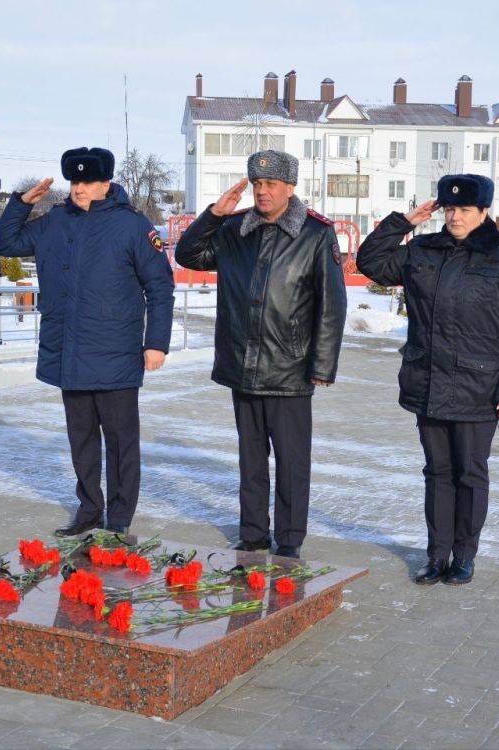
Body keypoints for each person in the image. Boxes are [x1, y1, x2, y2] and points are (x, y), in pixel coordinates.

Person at [357, 174, 499, 585]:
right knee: (437, 472)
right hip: (429, 382)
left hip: (480, 389)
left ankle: (464, 556)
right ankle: (437, 555)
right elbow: (370, 262)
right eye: (450, 209)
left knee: (470, 473)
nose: (455, 217)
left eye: (465, 210)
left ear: (484, 212)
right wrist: (403, 223)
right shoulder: (423, 249)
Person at [0, 147, 174, 537]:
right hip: (69, 351)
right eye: (74, 181)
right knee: (82, 440)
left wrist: (156, 342)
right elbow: (5, 244)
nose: (79, 188)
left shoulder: (131, 226)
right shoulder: (56, 222)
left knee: (122, 443)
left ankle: (120, 517)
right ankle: (89, 509)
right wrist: (21, 204)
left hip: (116, 352)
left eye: (87, 181)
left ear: (106, 183)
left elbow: (160, 286)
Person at [175, 150, 347, 559]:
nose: (263, 191)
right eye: (257, 184)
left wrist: (322, 364)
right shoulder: (235, 230)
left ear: (290, 187)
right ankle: (253, 534)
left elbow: (332, 304)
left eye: (271, 184)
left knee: (291, 463)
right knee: (250, 459)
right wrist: (214, 215)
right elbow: (187, 256)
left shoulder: (315, 234)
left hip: (289, 367)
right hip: (242, 365)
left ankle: (288, 541)